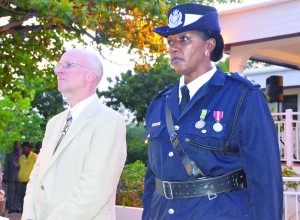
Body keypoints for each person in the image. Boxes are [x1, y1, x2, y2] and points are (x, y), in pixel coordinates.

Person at [142, 3, 283, 220]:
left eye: (184, 39)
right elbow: (153, 178)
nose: (173, 47)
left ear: (209, 45)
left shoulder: (242, 96)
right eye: (170, 41)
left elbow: (265, 179)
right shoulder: (160, 103)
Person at [22, 48, 127, 220]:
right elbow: (37, 176)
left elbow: (93, 189)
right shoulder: (54, 123)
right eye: (59, 66)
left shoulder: (109, 122)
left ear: (90, 75)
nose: (59, 70)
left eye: (68, 65)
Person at [18, 141, 37, 213]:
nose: (22, 149)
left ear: (30, 148)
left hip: (31, 184)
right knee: (22, 201)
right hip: (22, 184)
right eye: (22, 147)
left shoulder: (35, 157)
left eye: (24, 147)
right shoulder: (21, 158)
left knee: (30, 203)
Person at [3, 141, 21, 213]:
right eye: (15, 144)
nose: (16, 146)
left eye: (17, 144)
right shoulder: (9, 155)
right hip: (11, 177)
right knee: (11, 193)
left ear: (19, 146)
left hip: (20, 177)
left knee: (19, 193)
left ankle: (18, 207)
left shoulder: (23, 155)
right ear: (13, 146)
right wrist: (5, 177)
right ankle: (11, 207)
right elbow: (6, 166)